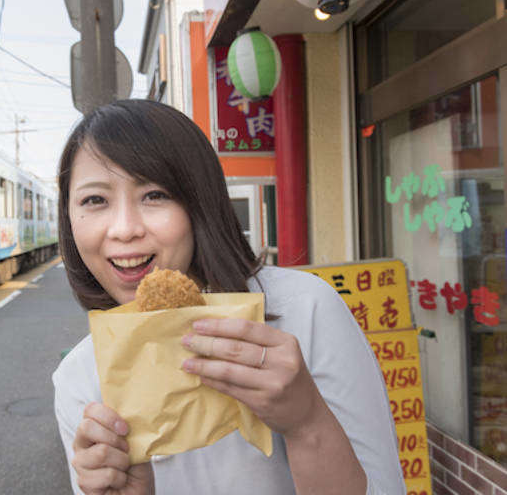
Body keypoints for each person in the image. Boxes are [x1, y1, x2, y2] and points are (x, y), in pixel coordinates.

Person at [52, 99, 405, 494]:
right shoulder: (81, 378)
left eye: (154, 194)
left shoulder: (303, 311)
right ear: (68, 218)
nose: (123, 229)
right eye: (94, 200)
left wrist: (307, 423)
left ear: (199, 202)